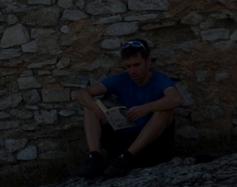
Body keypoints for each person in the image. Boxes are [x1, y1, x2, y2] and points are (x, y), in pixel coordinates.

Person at [75, 40, 184, 178]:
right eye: (128, 66)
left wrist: (146, 108)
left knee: (166, 111)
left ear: (148, 61)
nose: (133, 71)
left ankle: (126, 157)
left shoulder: (159, 80)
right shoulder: (122, 79)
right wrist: (95, 107)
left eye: (137, 65)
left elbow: (177, 99)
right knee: (89, 107)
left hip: (151, 145)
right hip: (123, 140)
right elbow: (81, 93)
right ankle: (95, 158)